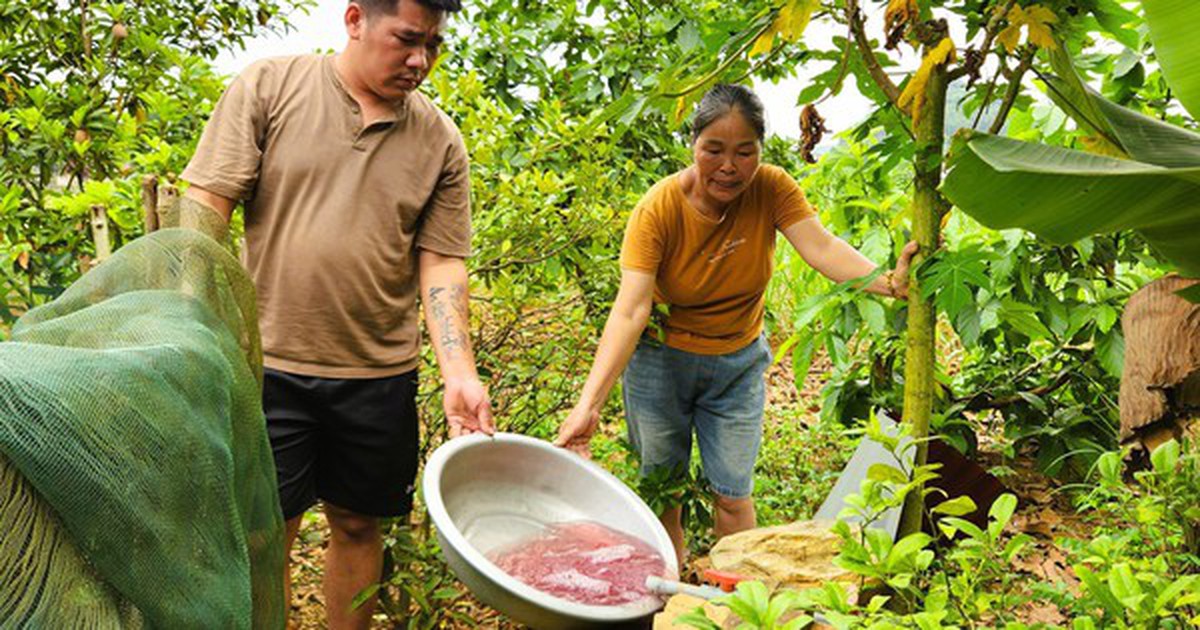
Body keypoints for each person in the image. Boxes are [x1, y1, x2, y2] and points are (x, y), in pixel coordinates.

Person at [180, 0, 493, 627]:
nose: (420, 60)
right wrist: (190, 316)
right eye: (407, 39)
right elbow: (207, 205)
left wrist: (459, 373)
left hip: (378, 374)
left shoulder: (439, 140)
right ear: (355, 20)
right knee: (268, 530)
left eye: (433, 45)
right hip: (270, 363)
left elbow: (441, 264)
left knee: (358, 524)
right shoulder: (271, 87)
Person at [554, 84, 917, 563]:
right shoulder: (658, 209)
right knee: (665, 491)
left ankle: (739, 595)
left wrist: (889, 283)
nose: (729, 166)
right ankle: (670, 591)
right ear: (693, 145)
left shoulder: (772, 188)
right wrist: (589, 405)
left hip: (737, 365)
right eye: (714, 150)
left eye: (745, 152)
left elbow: (822, 247)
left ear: (760, 151)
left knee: (732, 493)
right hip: (660, 364)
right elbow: (630, 310)